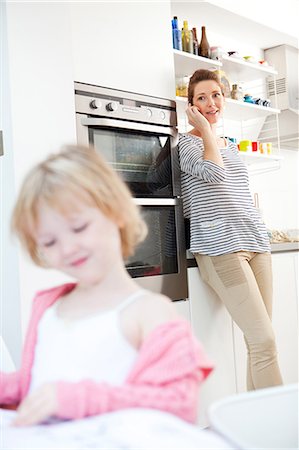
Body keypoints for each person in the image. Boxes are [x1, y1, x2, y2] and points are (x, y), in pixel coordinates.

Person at [0, 145, 214, 433]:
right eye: (49, 242)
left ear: (116, 213)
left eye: (78, 228)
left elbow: (178, 404)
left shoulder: (149, 312)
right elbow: (37, 383)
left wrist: (79, 399)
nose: (67, 248)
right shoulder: (49, 307)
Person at [179, 69, 283, 391]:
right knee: (263, 340)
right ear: (192, 106)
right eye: (201, 98)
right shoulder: (186, 144)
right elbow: (213, 174)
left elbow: (236, 189)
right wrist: (206, 132)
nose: (211, 103)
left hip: (254, 241)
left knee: (260, 342)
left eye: (216, 95)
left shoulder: (230, 145)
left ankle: (255, 425)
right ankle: (280, 426)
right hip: (220, 248)